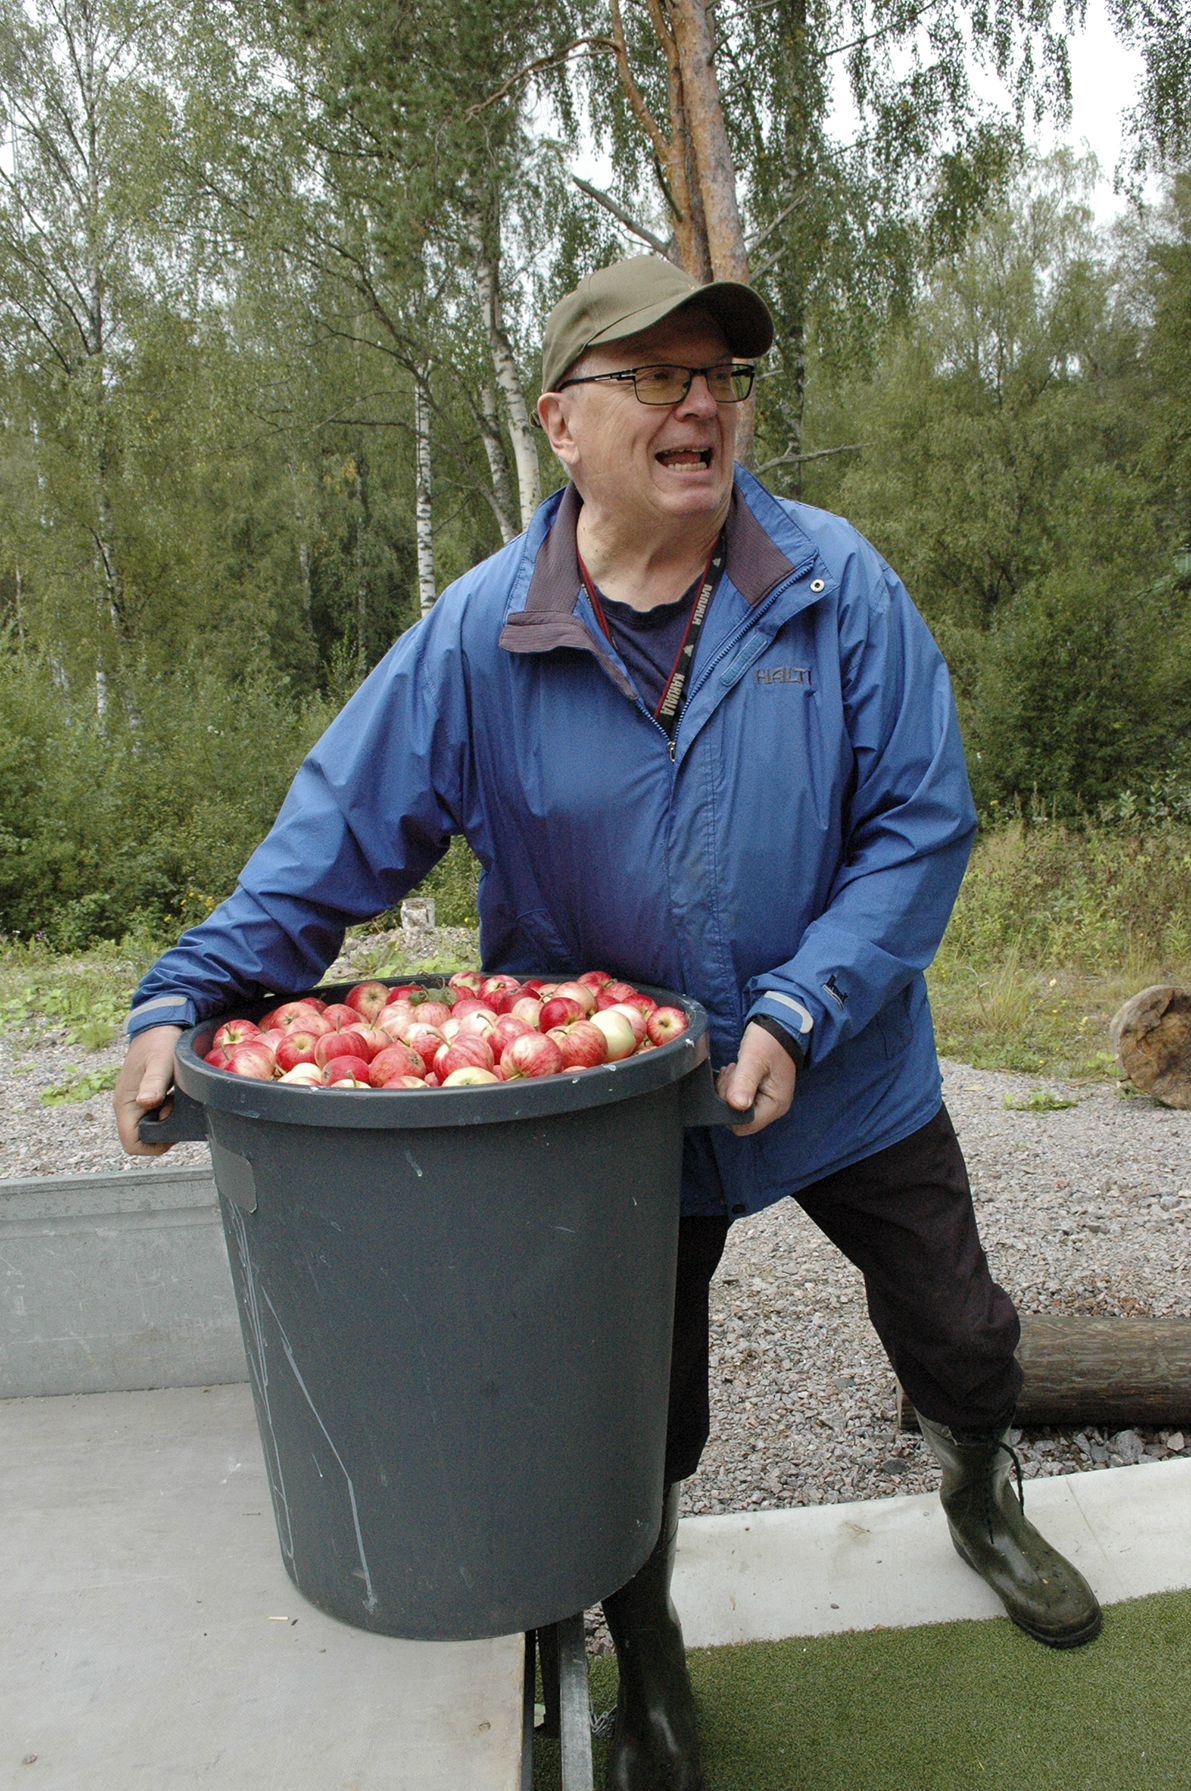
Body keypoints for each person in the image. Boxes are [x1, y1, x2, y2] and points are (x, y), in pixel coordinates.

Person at [115, 256, 1101, 1791]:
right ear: (560, 423)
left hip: (843, 1068)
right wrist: (185, 994)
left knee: (962, 1331)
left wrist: (805, 1000)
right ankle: (647, 1660)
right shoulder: (475, 639)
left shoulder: (836, 590)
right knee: (635, 1413)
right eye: (656, 377)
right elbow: (328, 848)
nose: (701, 404)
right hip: (606, 1111)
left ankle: (981, 1493)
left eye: (720, 378)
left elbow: (920, 827)